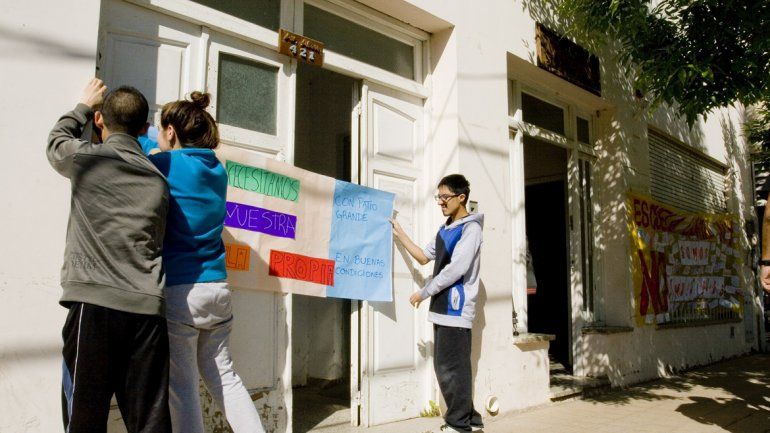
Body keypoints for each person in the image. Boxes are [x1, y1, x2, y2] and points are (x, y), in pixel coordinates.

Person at [47, 78, 171, 433]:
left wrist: (82, 107)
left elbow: (56, 143)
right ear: (145, 129)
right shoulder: (158, 179)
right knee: (149, 419)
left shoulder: (87, 159)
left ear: (100, 121)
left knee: (84, 414)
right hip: (147, 310)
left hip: (94, 304)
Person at [149, 91, 265, 433]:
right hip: (217, 288)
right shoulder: (218, 171)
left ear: (171, 132)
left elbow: (139, 152)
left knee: (183, 387)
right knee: (225, 379)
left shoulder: (165, 164)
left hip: (181, 292)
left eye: (160, 129)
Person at [391, 174, 484, 433]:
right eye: (439, 197)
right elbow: (423, 257)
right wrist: (400, 234)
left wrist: (424, 292)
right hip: (442, 309)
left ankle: (458, 424)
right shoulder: (445, 230)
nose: (441, 202)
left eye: (446, 197)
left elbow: (457, 269)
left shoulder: (471, 229)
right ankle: (471, 420)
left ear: (461, 197)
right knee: (448, 367)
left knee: (452, 368)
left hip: (457, 307)